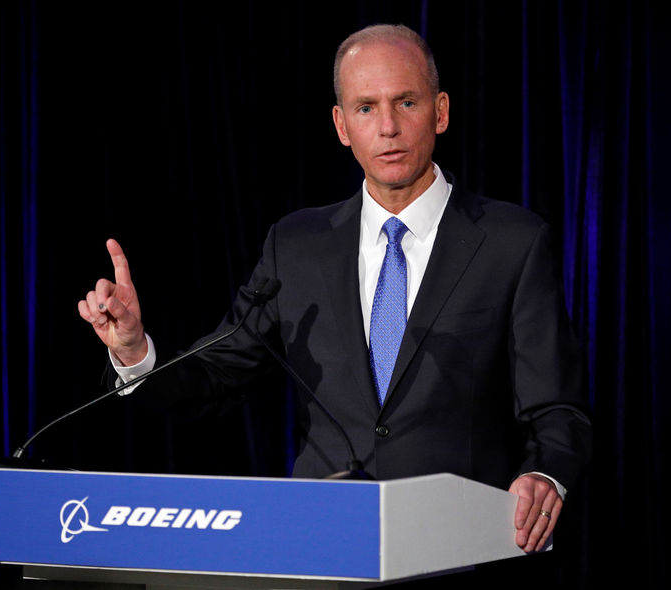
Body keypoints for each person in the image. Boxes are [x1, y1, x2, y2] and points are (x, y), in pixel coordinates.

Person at [78, 24, 591, 560]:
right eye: (366, 108)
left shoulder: (512, 242)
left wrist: (544, 474)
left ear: (440, 111)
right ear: (341, 125)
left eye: (406, 102)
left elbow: (557, 408)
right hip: (320, 547)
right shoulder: (297, 246)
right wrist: (135, 351)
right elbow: (216, 376)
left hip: (456, 549)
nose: (388, 127)